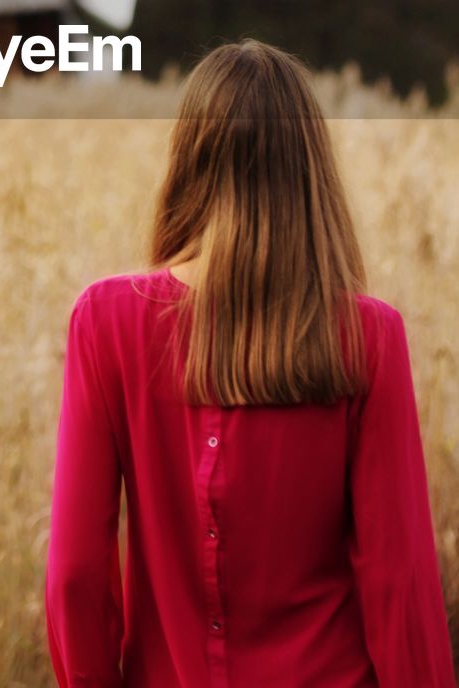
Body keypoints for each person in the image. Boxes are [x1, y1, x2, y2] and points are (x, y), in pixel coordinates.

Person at [44, 38, 454, 687]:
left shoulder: (105, 323)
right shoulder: (369, 338)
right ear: (309, 172)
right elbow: (397, 581)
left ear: (189, 160)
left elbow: (73, 574)